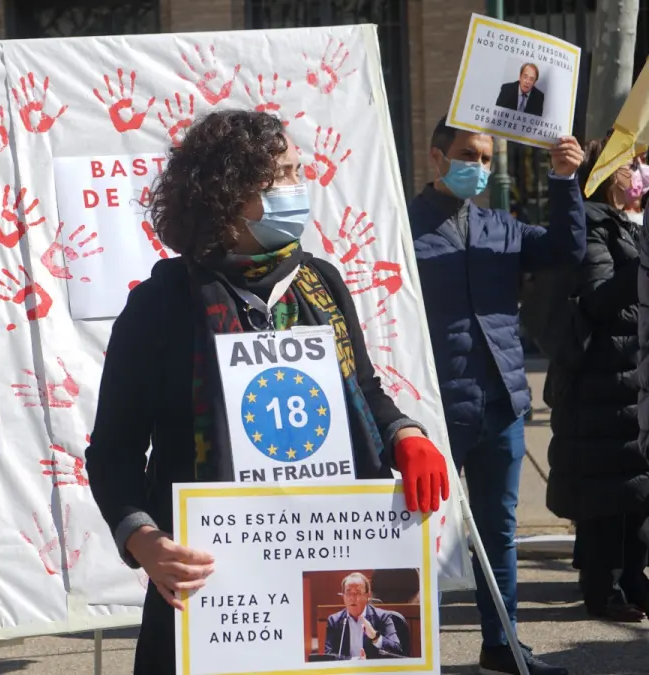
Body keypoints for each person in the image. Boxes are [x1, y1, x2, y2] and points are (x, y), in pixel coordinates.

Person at [84, 110, 449, 675]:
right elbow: (114, 451)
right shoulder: (161, 305)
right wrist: (144, 540)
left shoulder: (321, 283)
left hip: (326, 549)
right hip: (210, 581)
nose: (298, 186)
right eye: (281, 175)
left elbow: (363, 389)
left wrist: (405, 435)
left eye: (298, 170)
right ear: (228, 193)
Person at [408, 116, 584, 675]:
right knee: (418, 533)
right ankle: (409, 650)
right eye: (469, 155)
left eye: (486, 158)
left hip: (501, 405)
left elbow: (566, 250)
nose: (479, 167)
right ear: (437, 158)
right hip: (433, 410)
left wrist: (564, 181)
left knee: (498, 533)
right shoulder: (402, 226)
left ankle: (502, 644)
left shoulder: (500, 227)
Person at [538, 141, 649, 622]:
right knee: (606, 491)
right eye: (631, 164)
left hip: (635, 376)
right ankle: (603, 588)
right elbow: (601, 299)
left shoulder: (635, 224)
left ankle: (633, 578)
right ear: (605, 173)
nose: (640, 172)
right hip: (602, 381)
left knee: (638, 489)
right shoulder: (591, 222)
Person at [324, 573, 405, 660]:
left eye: (358, 593)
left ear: (367, 596)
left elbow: (397, 651)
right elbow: (329, 655)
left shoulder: (382, 618)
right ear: (343, 596)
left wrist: (375, 637)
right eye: (348, 593)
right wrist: (354, 661)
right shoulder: (334, 621)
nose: (352, 598)